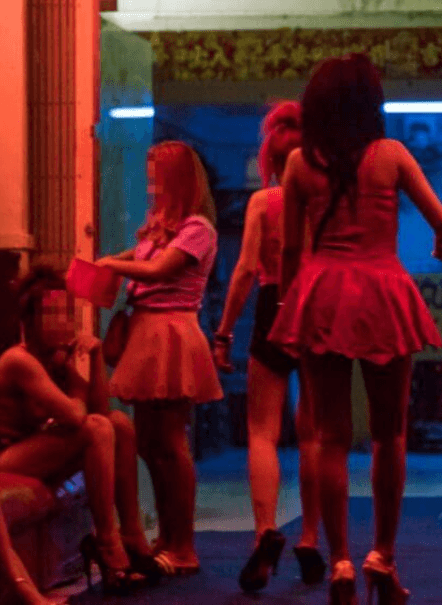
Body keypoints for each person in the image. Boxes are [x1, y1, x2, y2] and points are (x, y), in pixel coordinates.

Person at [266, 53, 442, 605]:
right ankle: (383, 555)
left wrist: (287, 311)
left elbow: (290, 250)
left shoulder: (300, 164)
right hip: (381, 292)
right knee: (388, 433)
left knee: (329, 436)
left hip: (320, 295)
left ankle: (342, 563)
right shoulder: (391, 155)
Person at [211, 101, 325, 592]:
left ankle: (265, 531)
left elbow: (243, 272)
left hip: (275, 302)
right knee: (315, 434)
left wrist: (224, 331)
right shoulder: (327, 197)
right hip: (319, 304)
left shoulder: (265, 202)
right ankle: (312, 538)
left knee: (262, 430)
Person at [96, 140, 224, 576]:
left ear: (176, 181)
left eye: (156, 178)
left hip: (170, 333)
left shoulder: (197, 228)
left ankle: (183, 544)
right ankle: (168, 537)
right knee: (151, 443)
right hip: (150, 333)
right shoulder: (161, 227)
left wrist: (110, 266)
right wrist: (110, 262)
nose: (150, 187)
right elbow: (140, 259)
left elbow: (158, 271)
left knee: (170, 442)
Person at [0, 266, 155, 595]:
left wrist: (95, 356)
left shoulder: (53, 357)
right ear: (29, 320)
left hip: (29, 451)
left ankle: (132, 535)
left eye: (67, 313)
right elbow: (76, 415)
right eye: (51, 314)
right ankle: (108, 544)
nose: (62, 322)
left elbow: (99, 408)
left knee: (120, 425)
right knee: (97, 428)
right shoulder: (20, 360)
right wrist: (72, 374)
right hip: (6, 459)